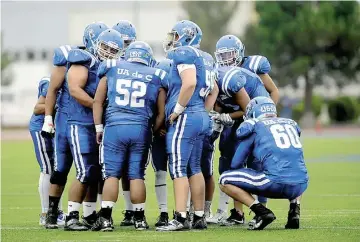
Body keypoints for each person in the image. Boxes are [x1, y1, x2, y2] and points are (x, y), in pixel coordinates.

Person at [92, 41, 166, 231]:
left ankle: (106, 218)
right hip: (140, 128)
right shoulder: (156, 75)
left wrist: (99, 128)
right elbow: (161, 113)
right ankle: (139, 219)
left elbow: (98, 101)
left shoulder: (112, 67)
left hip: (115, 126)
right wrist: (154, 129)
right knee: (136, 175)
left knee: (112, 175)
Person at [42, 22, 109, 229]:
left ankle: (85, 213)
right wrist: (48, 117)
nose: (107, 49)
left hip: (83, 120)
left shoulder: (99, 62)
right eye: (103, 44)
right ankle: (60, 214)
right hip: (71, 119)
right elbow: (56, 89)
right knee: (64, 169)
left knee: (91, 170)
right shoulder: (77, 59)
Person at [156, 20, 218, 231]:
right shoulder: (206, 58)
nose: (172, 40)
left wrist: (178, 110)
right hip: (200, 115)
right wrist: (204, 111)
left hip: (187, 115)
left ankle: (181, 217)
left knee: (178, 168)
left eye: (175, 35)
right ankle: (199, 216)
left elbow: (190, 82)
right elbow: (214, 90)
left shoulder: (183, 54)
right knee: (195, 168)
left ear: (186, 36)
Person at [219, 96, 308, 230]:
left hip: (274, 182)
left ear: (254, 112)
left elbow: (236, 164)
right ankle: (294, 210)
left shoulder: (255, 126)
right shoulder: (291, 123)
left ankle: (262, 212)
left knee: (225, 179)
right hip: (301, 184)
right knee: (296, 169)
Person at [112, 20, 138, 227]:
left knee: (117, 171)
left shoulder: (110, 66)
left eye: (127, 42)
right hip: (138, 124)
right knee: (127, 171)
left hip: (112, 123)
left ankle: (103, 214)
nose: (124, 46)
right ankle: (135, 214)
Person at [29, 76, 65, 226]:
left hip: (57, 129)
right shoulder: (50, 81)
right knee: (48, 169)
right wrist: (60, 106)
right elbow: (37, 108)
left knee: (57, 170)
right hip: (41, 128)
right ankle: (45, 213)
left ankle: (57, 211)